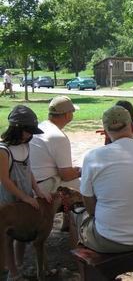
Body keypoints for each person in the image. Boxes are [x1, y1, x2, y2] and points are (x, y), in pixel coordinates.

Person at [74, 105, 133, 281]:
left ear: (105, 131)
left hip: (110, 240)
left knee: (78, 217)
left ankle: (93, 275)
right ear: (132, 127)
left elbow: (87, 200)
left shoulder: (92, 157)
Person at [0, 105, 51, 280]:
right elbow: (5, 180)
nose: (29, 135)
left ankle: (21, 265)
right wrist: (24, 197)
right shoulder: (3, 150)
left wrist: (37, 191)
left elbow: (29, 171)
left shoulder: (26, 146)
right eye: (27, 131)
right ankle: (12, 272)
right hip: (8, 197)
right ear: (16, 129)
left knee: (22, 231)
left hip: (25, 194)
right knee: (8, 236)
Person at [29, 96, 81, 231]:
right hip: (43, 186)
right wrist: (80, 171)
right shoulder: (58, 137)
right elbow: (66, 175)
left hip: (31, 182)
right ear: (68, 114)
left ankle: (67, 222)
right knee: (85, 184)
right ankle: (76, 224)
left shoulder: (40, 127)